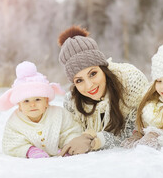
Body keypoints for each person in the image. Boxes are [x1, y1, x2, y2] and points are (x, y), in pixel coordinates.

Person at [57, 26, 149, 156]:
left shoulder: (130, 82)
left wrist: (93, 140)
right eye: (79, 80)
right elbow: (70, 133)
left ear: (103, 68)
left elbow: (135, 132)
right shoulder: (72, 101)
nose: (89, 86)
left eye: (93, 73)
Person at [0, 61, 82, 158]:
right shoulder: (15, 122)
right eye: (26, 101)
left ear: (46, 101)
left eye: (37, 99)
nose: (32, 104)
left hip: (61, 151)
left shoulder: (60, 114)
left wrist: (68, 146)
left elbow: (71, 130)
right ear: (19, 105)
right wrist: (29, 150)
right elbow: (11, 143)